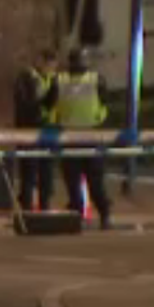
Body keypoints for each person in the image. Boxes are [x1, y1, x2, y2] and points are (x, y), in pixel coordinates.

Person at [46, 48, 112, 229]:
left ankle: (77, 217)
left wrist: (54, 122)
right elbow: (105, 103)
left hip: (69, 135)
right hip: (92, 134)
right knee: (95, 179)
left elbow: (47, 104)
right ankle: (105, 215)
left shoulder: (59, 81)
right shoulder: (97, 80)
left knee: (72, 179)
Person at [14, 49, 58, 211]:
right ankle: (27, 207)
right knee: (29, 170)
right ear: (41, 61)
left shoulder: (50, 79)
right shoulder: (28, 78)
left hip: (47, 130)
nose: (52, 69)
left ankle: (44, 205)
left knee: (45, 171)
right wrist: (50, 96)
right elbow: (31, 104)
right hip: (30, 130)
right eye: (50, 65)